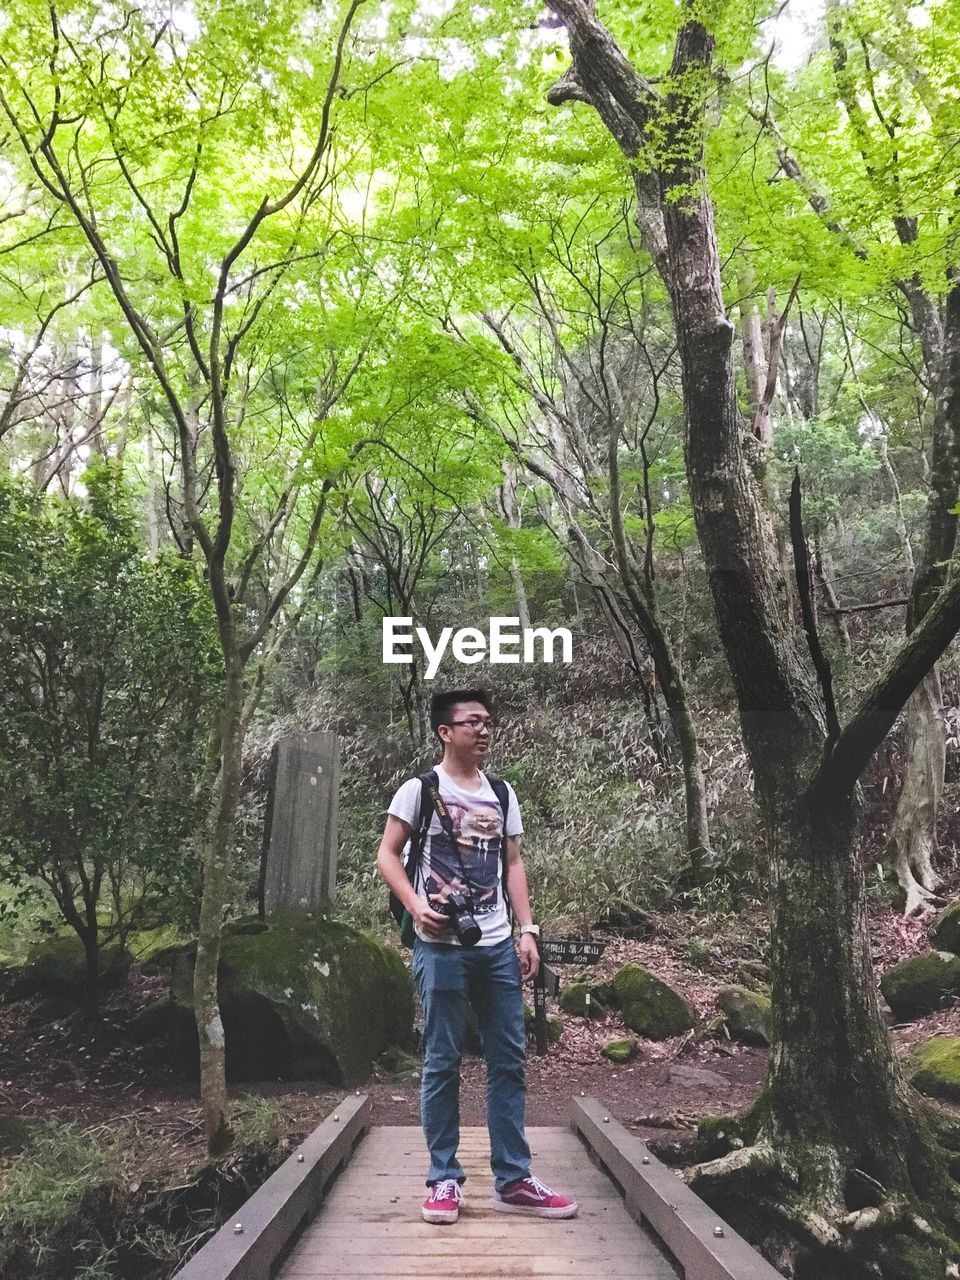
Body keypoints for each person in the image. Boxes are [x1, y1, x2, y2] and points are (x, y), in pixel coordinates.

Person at [376, 688, 578, 1225]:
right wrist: (416, 906)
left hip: (495, 946)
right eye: (472, 722)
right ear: (446, 731)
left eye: (489, 722)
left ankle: (513, 1179)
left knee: (508, 1059)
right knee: (442, 1061)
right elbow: (387, 855)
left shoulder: (503, 793)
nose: (484, 730)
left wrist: (527, 930)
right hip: (440, 947)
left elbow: (512, 862)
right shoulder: (419, 790)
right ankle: (444, 1178)